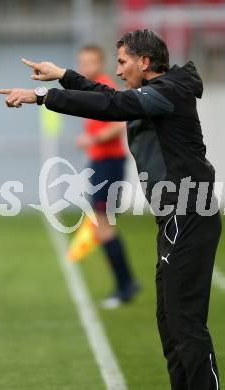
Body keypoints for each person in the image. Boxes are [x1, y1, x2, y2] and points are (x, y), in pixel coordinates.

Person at [0, 29, 222, 390]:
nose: (117, 70)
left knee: (186, 325)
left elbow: (111, 106)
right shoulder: (157, 92)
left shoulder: (168, 93)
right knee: (169, 322)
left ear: (145, 63)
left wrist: (42, 96)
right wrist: (64, 76)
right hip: (176, 219)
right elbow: (111, 96)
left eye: (122, 62)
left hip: (190, 215)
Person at [74, 45, 139, 309]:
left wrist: (94, 138)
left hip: (109, 162)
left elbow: (120, 121)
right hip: (100, 161)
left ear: (100, 63)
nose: (86, 66)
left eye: (91, 61)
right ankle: (125, 284)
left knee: (104, 225)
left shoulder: (105, 87)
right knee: (102, 226)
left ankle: (125, 286)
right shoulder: (91, 88)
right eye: (82, 62)